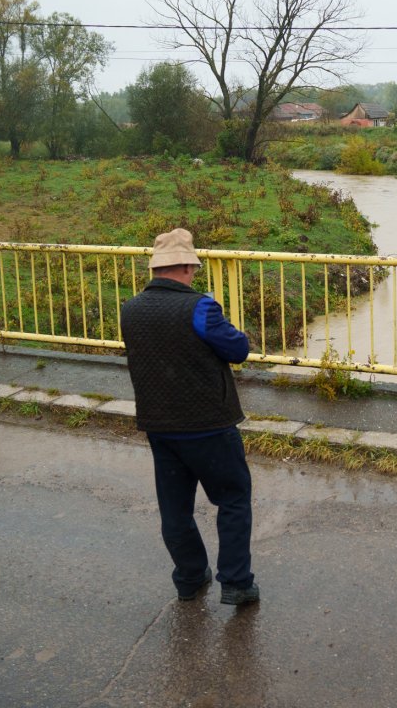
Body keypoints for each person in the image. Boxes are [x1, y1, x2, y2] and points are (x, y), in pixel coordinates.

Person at [120, 227, 259, 606]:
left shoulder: (130, 310)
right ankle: (235, 582)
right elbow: (237, 350)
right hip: (208, 426)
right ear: (184, 266)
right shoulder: (200, 307)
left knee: (175, 507)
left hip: (159, 426)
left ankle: (190, 578)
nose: (194, 274)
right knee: (232, 498)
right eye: (193, 268)